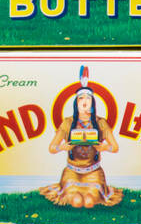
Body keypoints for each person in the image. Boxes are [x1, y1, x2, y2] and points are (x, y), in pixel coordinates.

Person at [40, 66, 124, 208]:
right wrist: (62, 147)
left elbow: (115, 147)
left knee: (90, 201)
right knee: (77, 201)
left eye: (88, 99)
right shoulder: (67, 123)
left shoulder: (100, 123)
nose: (84, 102)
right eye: (80, 99)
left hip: (94, 172)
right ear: (76, 103)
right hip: (72, 172)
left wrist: (105, 147)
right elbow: (52, 148)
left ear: (93, 103)